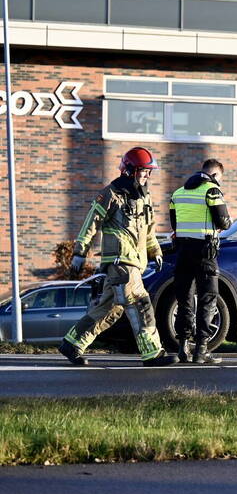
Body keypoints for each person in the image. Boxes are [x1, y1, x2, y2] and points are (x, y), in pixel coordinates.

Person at [59, 147, 177, 367]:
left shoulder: (144, 196)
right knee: (140, 303)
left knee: (109, 310)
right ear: (130, 170)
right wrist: (79, 252)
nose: (146, 175)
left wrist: (156, 251)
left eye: (148, 172)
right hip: (120, 261)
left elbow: (148, 231)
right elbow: (91, 222)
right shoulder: (111, 193)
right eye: (142, 171)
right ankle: (152, 352)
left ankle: (72, 344)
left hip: (134, 261)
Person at [169, 158, 232, 364]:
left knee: (185, 299)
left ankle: (182, 348)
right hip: (205, 252)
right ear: (214, 175)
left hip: (183, 252)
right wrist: (224, 223)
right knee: (207, 299)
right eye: (219, 178)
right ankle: (201, 351)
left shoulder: (177, 193)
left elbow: (174, 224)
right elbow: (224, 221)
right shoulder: (212, 191)